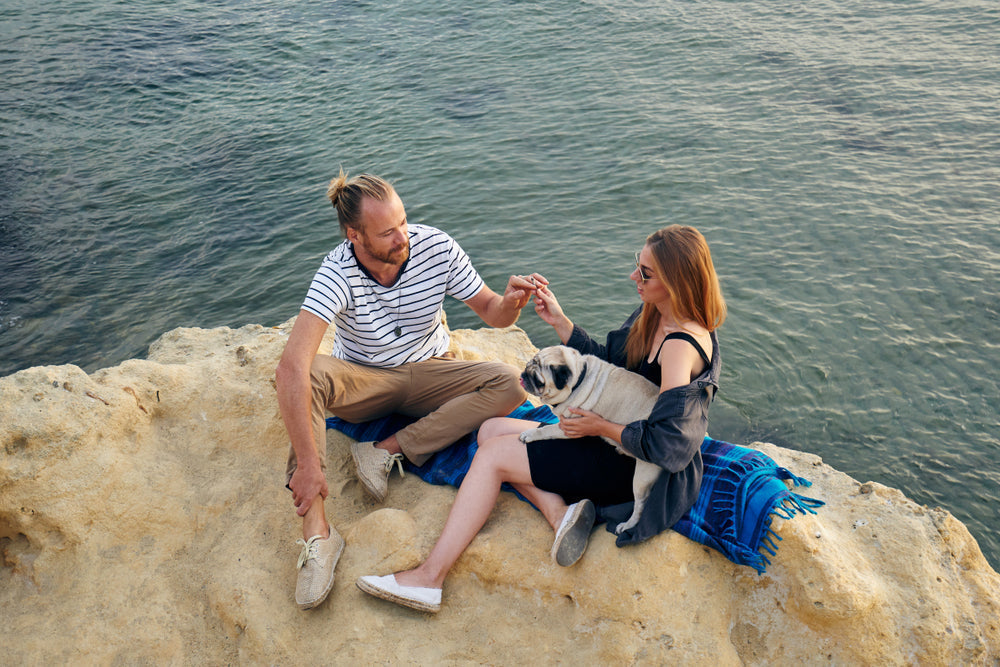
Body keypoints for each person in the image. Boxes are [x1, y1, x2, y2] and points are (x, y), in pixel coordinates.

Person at [356, 225, 726, 613]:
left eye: (646, 273)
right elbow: (615, 370)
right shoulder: (654, 312)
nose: (634, 276)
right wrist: (561, 323)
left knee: (492, 457)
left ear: (676, 281)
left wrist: (598, 427)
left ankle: (429, 579)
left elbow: (666, 443)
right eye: (639, 264)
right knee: (491, 429)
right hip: (606, 437)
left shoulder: (681, 346)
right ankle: (561, 513)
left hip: (634, 464)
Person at [276, 170, 546, 610]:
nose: (403, 237)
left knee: (508, 381)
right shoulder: (336, 271)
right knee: (307, 378)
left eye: (403, 223)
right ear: (355, 236)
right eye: (387, 232)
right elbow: (290, 368)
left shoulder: (435, 246)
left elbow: (492, 313)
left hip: (432, 371)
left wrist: (511, 302)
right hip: (366, 381)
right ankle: (319, 536)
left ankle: (387, 449)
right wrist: (308, 464)